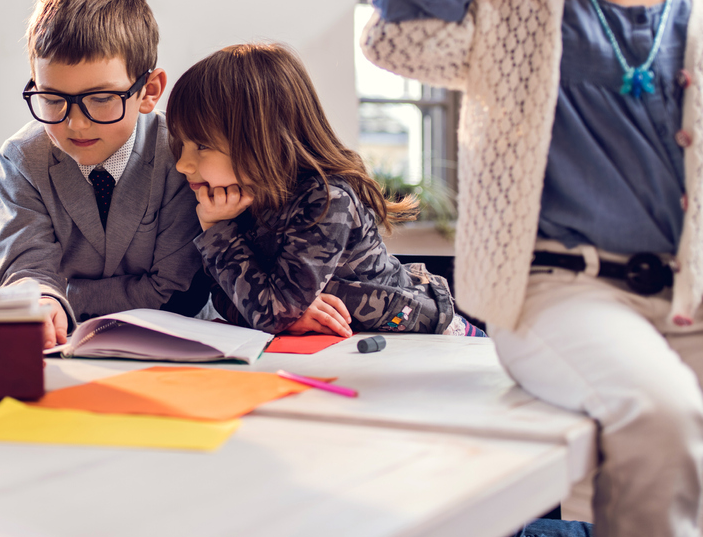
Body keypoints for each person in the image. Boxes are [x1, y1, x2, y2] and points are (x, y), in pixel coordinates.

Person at [361, 0, 703, 537]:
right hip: (557, 294)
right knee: (663, 413)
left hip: (691, 293)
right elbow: (392, 36)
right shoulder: (516, 18)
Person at [166, 42, 476, 337]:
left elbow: (271, 313)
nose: (182, 164)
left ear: (263, 140)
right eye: (183, 143)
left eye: (202, 145)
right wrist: (285, 317)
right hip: (346, 348)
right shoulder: (233, 199)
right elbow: (227, 300)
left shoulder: (326, 198)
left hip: (432, 339)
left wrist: (218, 232)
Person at [0, 0, 208, 348]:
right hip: (69, 344)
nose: (76, 124)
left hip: (177, 340)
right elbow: (28, 273)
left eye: (101, 99)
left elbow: (175, 293)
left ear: (149, 92)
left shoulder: (179, 155)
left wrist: (66, 294)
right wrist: (43, 298)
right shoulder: (22, 159)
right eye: (52, 99)